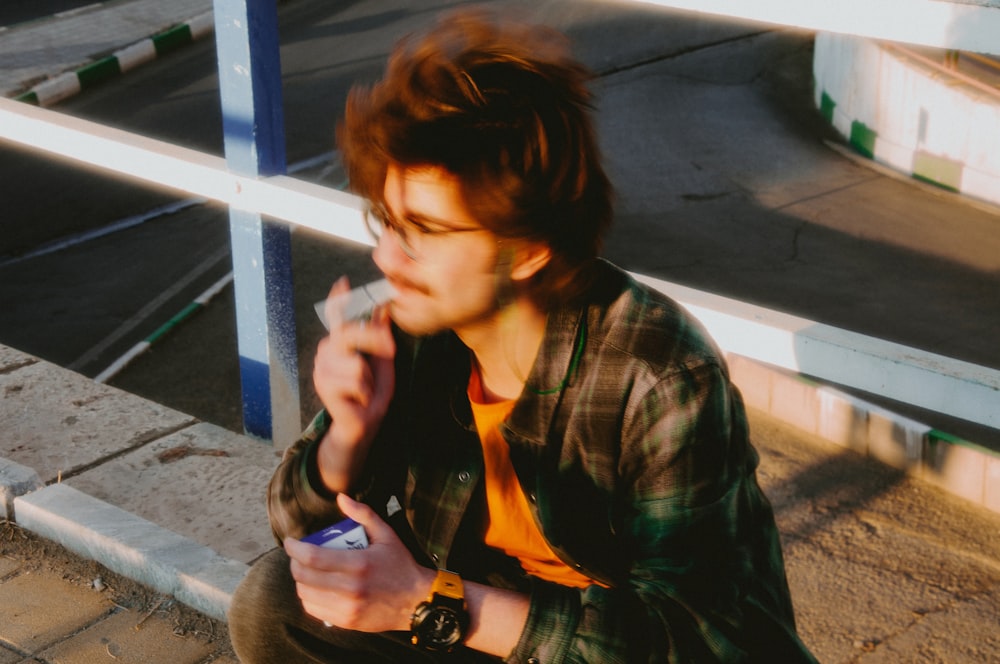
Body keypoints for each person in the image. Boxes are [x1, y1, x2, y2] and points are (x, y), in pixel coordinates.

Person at [228, 9, 816, 663]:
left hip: (605, 644)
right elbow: (301, 535)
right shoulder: (414, 333)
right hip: (492, 629)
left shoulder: (659, 374)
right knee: (275, 605)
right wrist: (346, 436)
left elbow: (701, 641)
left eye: (426, 232)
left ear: (529, 249)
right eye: (389, 223)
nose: (388, 259)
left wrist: (431, 600)